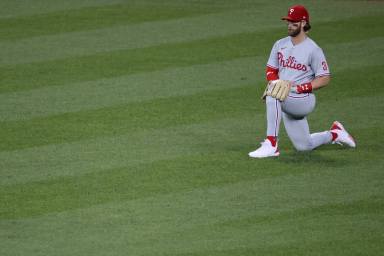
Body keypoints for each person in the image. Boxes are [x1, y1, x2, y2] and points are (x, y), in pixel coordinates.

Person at [248, 5, 356, 158]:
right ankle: (335, 133)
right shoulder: (280, 44)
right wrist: (276, 82)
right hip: (286, 98)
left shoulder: (313, 50)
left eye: (294, 22)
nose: (290, 25)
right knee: (304, 146)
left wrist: (301, 87)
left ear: (304, 23)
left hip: (303, 100)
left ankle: (271, 144)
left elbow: (324, 78)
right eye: (288, 22)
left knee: (273, 94)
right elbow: (271, 69)